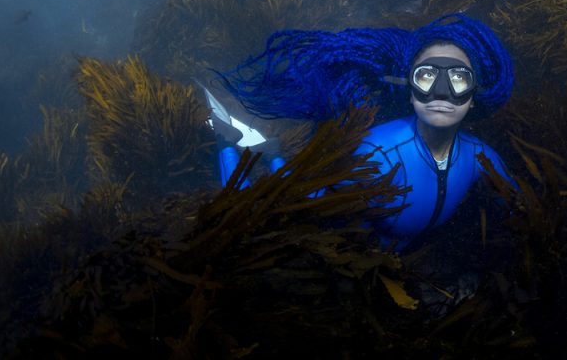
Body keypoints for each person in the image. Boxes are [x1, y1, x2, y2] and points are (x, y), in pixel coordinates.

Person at [217, 13, 514, 251]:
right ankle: (226, 144)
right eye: (426, 76)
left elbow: (515, 204)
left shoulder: (479, 157)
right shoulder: (377, 155)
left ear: (475, 96)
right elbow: (303, 213)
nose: (441, 93)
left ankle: (272, 153)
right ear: (410, 90)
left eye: (459, 80)